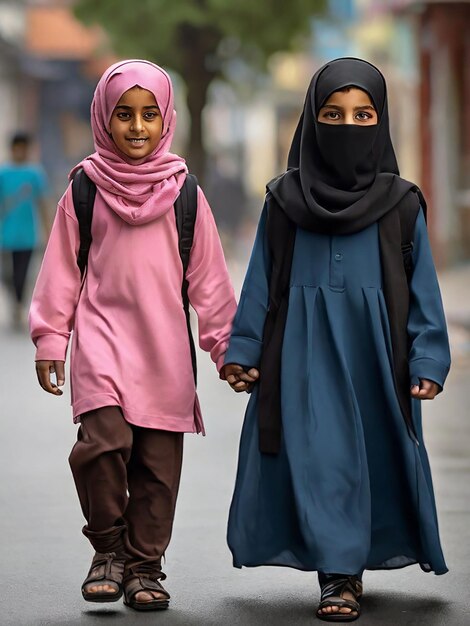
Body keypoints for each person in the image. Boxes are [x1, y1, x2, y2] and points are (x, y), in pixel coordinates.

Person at [221, 58, 451, 622]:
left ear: (382, 120)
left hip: (378, 357)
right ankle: (339, 577)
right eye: (333, 113)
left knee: (371, 460)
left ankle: (352, 562)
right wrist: (244, 351)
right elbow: (260, 285)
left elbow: (424, 293)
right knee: (323, 459)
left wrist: (427, 357)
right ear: (312, 120)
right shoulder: (284, 200)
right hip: (301, 355)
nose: (348, 126)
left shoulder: (401, 203)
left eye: (363, 114)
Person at [29, 60, 236, 611]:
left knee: (157, 470)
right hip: (100, 344)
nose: (137, 127)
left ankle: (145, 567)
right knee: (102, 446)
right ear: (104, 118)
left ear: (166, 118)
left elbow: (209, 283)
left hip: (165, 354)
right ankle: (108, 550)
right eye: (124, 114)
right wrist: (51, 337)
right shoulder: (85, 188)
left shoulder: (185, 192)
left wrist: (226, 348)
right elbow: (60, 272)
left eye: (149, 115)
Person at [0, 132, 49, 328]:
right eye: (17, 147)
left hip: (28, 236)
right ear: (12, 149)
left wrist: (48, 231)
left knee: (21, 274)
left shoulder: (35, 174)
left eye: (24, 147)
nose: (20, 151)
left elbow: (43, 204)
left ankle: (18, 306)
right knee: (6, 274)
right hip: (5, 235)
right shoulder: (3, 173)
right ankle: (15, 299)